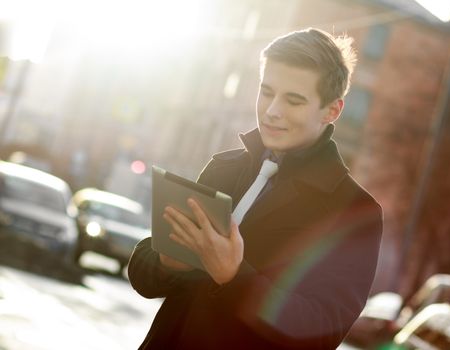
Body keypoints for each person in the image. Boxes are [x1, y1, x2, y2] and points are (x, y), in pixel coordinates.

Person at [128, 27, 383, 350]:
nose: (273, 110)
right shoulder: (225, 167)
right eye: (267, 92)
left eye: (294, 100)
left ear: (332, 110)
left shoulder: (355, 211)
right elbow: (142, 275)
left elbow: (322, 332)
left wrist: (235, 277)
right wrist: (168, 262)